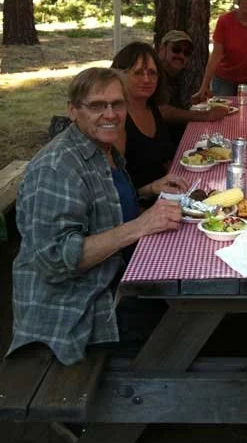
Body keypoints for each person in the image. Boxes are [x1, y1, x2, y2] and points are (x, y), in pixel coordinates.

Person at [7, 67, 182, 366]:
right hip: (79, 310)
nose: (110, 114)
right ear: (73, 111)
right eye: (97, 106)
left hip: (114, 279)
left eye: (117, 104)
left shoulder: (102, 150)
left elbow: (104, 205)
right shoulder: (57, 169)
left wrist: (148, 190)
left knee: (181, 294)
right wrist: (137, 227)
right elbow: (56, 260)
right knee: (177, 327)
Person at [111, 42, 188, 202]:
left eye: (152, 73)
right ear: (120, 75)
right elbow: (117, 192)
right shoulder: (116, 119)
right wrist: (152, 188)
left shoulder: (152, 109)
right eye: (138, 73)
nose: (147, 79)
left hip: (167, 195)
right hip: (139, 207)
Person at [157, 30, 228, 147]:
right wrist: (207, 115)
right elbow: (162, 111)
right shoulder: (154, 74)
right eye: (176, 49)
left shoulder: (172, 75)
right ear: (162, 49)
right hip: (165, 148)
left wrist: (192, 103)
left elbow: (171, 107)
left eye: (186, 53)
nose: (181, 55)